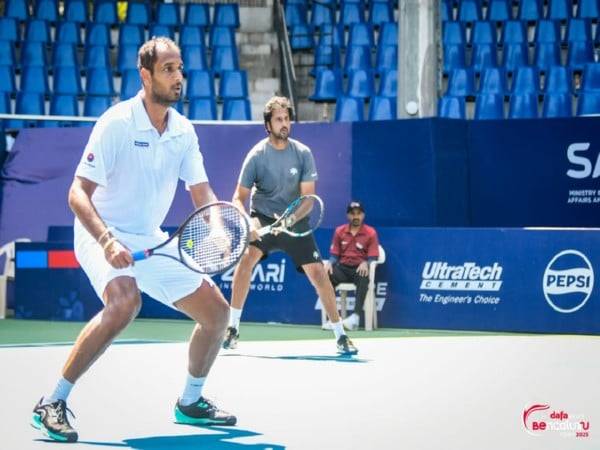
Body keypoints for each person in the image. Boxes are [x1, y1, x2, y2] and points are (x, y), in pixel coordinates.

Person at [31, 37, 236, 443]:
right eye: (168, 70)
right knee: (126, 302)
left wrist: (215, 224)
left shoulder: (183, 131)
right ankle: (51, 403)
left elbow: (202, 193)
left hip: (150, 240)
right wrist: (107, 240)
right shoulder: (116, 123)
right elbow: (76, 193)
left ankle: (190, 402)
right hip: (99, 232)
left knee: (216, 314)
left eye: (180, 69)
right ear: (145, 75)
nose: (178, 77)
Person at [222, 96, 358, 355]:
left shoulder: (303, 153)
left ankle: (340, 335)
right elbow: (238, 197)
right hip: (262, 217)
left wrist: (289, 220)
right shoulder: (257, 156)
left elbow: (307, 200)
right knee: (246, 261)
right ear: (268, 124)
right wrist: (249, 222)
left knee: (319, 274)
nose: (284, 124)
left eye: (287, 119)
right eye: (279, 120)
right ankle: (233, 329)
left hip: (294, 221)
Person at [324, 201, 380, 331]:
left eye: (358, 213)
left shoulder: (370, 233)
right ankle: (333, 319)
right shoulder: (339, 231)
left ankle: (355, 317)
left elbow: (373, 257)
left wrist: (366, 263)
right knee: (326, 276)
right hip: (343, 268)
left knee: (364, 275)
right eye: (352, 213)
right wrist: (329, 264)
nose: (356, 216)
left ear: (363, 215)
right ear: (348, 215)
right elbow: (334, 255)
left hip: (359, 269)